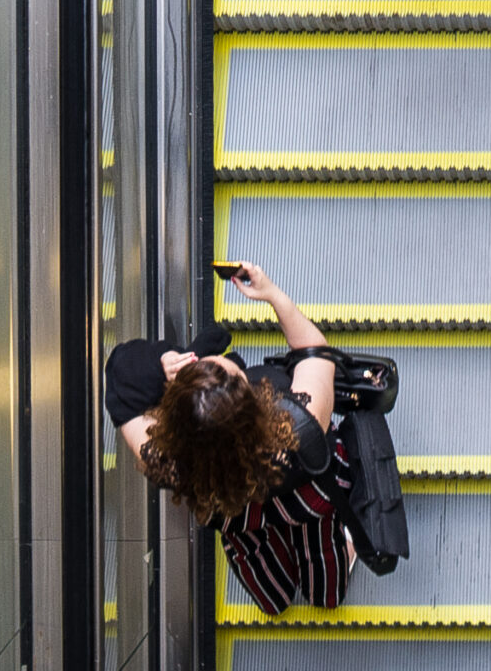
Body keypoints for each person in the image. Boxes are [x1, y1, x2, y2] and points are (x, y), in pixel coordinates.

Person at [104, 262, 354, 613]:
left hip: (242, 522)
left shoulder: (167, 460)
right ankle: (333, 570)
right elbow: (314, 351)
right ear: (253, 399)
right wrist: (271, 294)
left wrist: (162, 363)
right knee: (326, 591)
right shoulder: (301, 427)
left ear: (170, 422)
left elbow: (120, 382)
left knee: (271, 597)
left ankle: (277, 597)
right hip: (308, 502)